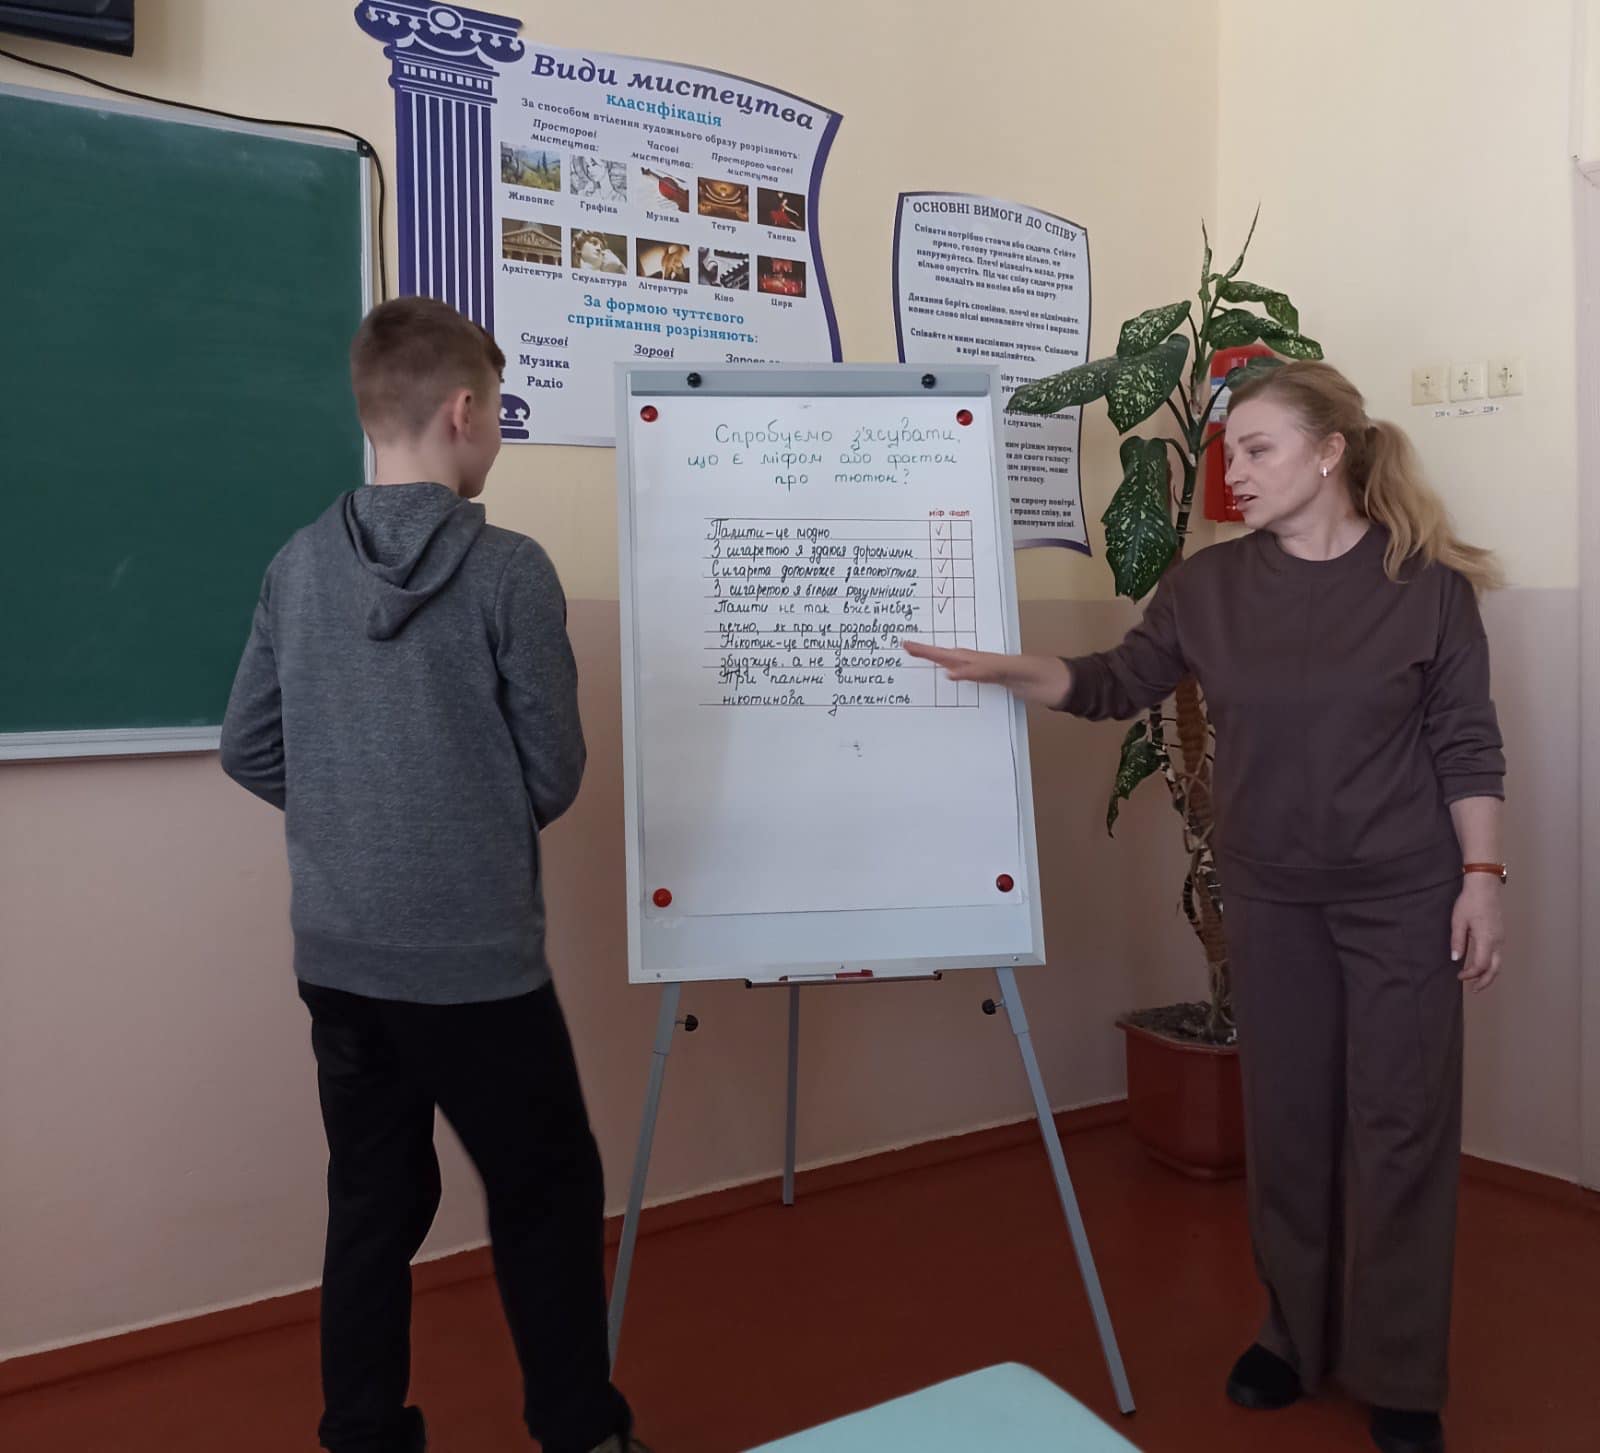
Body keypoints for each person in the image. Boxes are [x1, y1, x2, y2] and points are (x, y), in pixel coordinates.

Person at [905, 360, 1506, 1453]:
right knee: (1290, 1124)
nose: (1236, 472)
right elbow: (1115, 682)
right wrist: (1013, 671)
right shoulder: (1206, 588)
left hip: (1404, 895)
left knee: (1402, 1129)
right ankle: (1292, 1337)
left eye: (1259, 449)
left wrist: (1482, 879)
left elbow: (1467, 744)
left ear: (1330, 452)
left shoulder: (1427, 587)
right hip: (1271, 897)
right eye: (1230, 452)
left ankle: (1401, 1367)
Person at [220, 297, 647, 1453]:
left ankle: (362, 1434)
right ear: (462, 410)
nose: (498, 428)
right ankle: (581, 1432)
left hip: (339, 957)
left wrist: (355, 822)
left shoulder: (296, 565)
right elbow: (553, 769)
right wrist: (454, 825)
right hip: (475, 965)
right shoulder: (509, 570)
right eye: (499, 409)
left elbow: (247, 745)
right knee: (545, 1193)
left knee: (372, 1200)